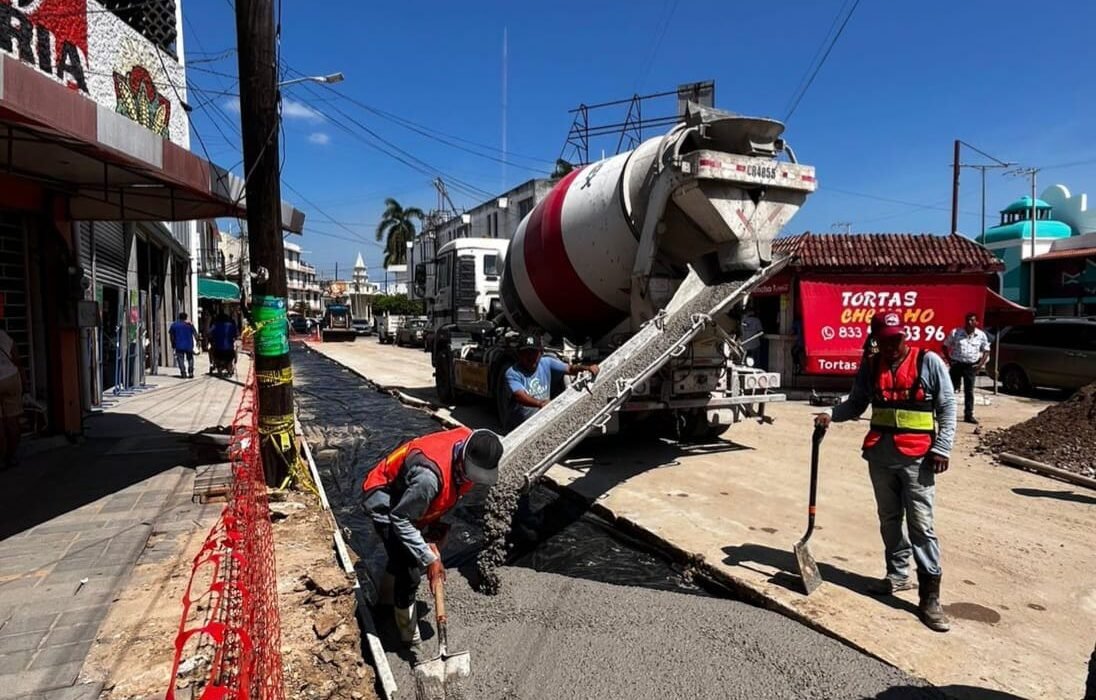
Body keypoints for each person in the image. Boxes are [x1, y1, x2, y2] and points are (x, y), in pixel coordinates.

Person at [814, 311, 956, 632]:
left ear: (905, 335)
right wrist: (829, 413)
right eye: (886, 340)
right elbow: (856, 404)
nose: (893, 345)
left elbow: (947, 406)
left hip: (918, 458)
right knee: (889, 518)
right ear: (876, 339)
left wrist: (943, 447)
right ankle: (897, 574)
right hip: (880, 455)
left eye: (897, 338)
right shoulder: (871, 365)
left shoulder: (928, 361)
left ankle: (930, 597)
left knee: (921, 525)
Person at [361, 427, 503, 645]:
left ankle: (385, 603)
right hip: (385, 498)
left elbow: (447, 493)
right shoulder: (428, 478)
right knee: (408, 570)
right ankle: (408, 637)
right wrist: (430, 558)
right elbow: (400, 518)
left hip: (412, 498)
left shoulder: (474, 445)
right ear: (463, 458)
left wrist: (434, 528)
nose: (474, 480)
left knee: (403, 556)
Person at [505, 336, 599, 432]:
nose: (530, 357)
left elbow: (570, 369)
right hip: (520, 428)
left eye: (534, 352)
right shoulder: (513, 373)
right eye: (526, 353)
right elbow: (519, 396)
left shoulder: (546, 363)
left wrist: (587, 368)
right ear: (519, 354)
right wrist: (540, 403)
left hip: (542, 422)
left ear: (541, 353)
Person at [943, 312, 990, 424]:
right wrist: (949, 360)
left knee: (969, 391)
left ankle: (968, 415)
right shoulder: (956, 332)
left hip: (970, 366)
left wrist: (980, 365)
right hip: (957, 364)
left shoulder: (981, 335)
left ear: (976, 322)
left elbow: (986, 350)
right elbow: (945, 346)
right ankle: (946, 414)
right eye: (968, 320)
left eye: (972, 320)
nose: (969, 322)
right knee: (950, 390)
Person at [0, 329, 22, 469]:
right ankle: (11, 456)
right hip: (11, 378)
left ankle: (1, 459)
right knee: (12, 420)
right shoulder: (4, 335)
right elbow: (17, 359)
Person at [168, 312, 199, 379]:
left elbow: (171, 336)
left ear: (179, 317)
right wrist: (197, 341)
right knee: (190, 358)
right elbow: (195, 334)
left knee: (180, 359)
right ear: (186, 317)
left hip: (178, 345)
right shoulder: (189, 325)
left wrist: (173, 344)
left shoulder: (174, 325)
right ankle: (190, 372)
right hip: (189, 345)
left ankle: (183, 373)